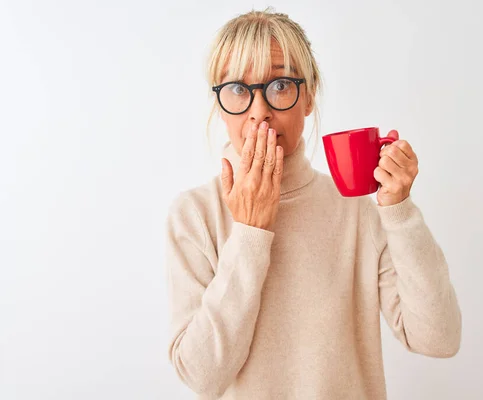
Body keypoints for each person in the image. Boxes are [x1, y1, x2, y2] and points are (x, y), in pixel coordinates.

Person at [165, 9, 461, 400]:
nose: (259, 111)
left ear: (309, 96)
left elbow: (439, 339)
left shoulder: (358, 211)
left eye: (280, 85)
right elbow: (202, 376)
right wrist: (251, 233)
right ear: (219, 105)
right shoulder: (195, 216)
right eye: (237, 89)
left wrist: (400, 211)